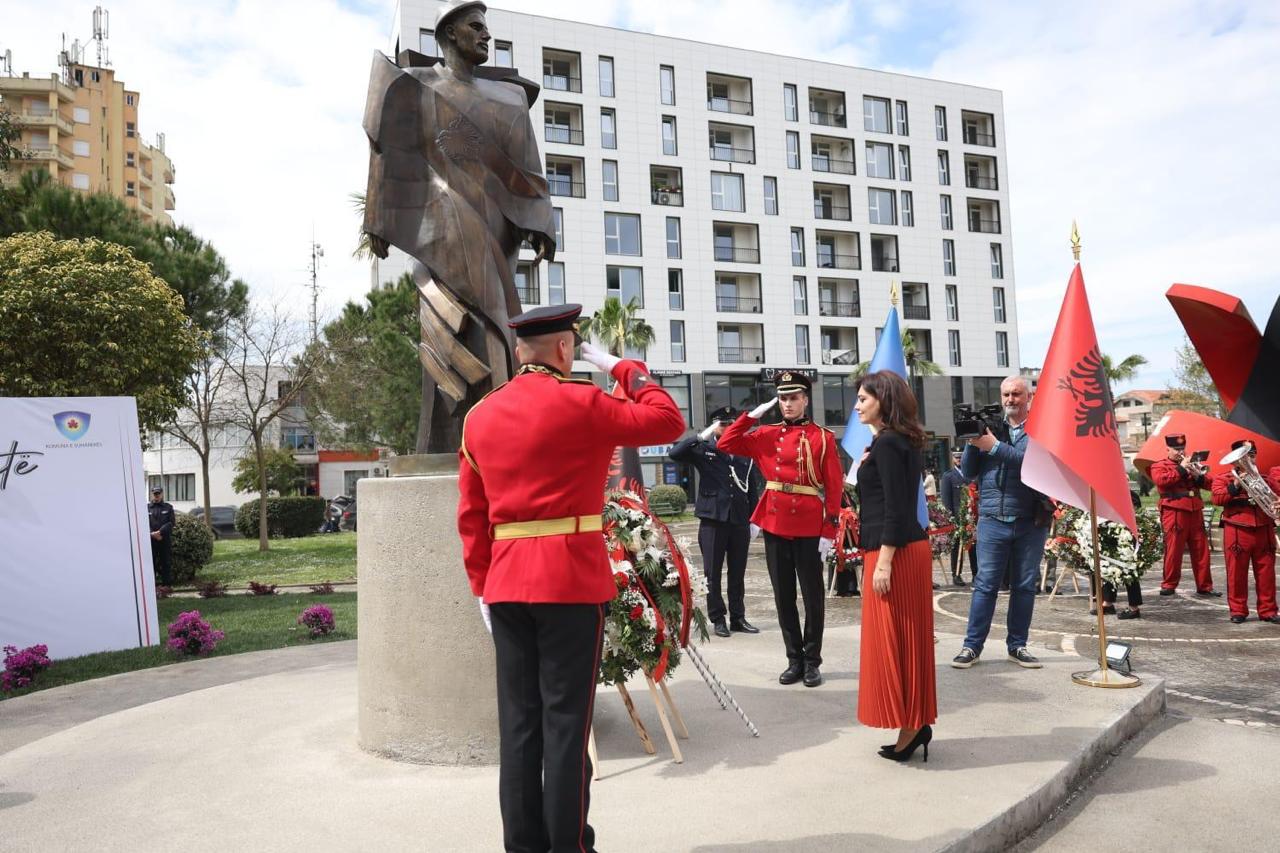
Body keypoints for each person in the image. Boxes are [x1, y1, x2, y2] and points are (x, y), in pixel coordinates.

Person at [456, 304, 684, 853]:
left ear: (519, 352)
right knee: (565, 724)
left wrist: (483, 585)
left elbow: (471, 513)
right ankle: (569, 846)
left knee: (519, 727)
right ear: (565, 349)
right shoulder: (584, 402)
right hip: (569, 583)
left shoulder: (479, 416)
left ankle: (523, 847)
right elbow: (667, 419)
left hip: (506, 586)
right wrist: (624, 368)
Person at [363, 0, 557, 452]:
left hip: (497, 229)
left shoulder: (509, 98)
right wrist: (376, 216)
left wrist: (542, 222)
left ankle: (492, 433)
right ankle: (462, 439)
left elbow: (529, 170)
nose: (486, 36)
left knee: (498, 322)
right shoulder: (416, 85)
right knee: (460, 325)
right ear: (450, 33)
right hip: (442, 224)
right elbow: (383, 146)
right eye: (476, 27)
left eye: (485, 28)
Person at [719, 371, 844, 688]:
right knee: (783, 596)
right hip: (775, 522)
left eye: (793, 398)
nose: (788, 404)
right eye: (783, 398)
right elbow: (725, 442)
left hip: (809, 524)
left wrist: (829, 528)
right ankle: (794, 660)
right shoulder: (766, 433)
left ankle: (812, 661)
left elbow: (834, 486)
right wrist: (750, 417)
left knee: (813, 597)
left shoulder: (822, 437)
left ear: (805, 400)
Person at [853, 371, 937, 763]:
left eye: (863, 399)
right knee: (906, 642)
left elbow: (896, 507)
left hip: (895, 554)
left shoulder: (888, 443)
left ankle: (913, 725)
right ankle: (913, 723)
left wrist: (884, 563)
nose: (856, 406)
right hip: (903, 550)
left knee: (896, 642)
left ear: (883, 401)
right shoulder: (895, 441)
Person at [951, 376, 1051, 670]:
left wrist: (993, 446)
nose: (1010, 399)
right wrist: (974, 441)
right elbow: (969, 472)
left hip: (1030, 520)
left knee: (1024, 586)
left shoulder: (1041, 430)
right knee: (985, 585)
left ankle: (1017, 646)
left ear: (1028, 397)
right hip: (992, 519)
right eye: (1006, 394)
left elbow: (1035, 465)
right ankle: (971, 646)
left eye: (1016, 394)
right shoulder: (992, 429)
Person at [668, 407, 762, 638]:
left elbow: (751, 488)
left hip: (739, 519)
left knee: (737, 572)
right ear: (714, 426)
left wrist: (754, 519)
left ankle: (738, 617)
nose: (728, 427)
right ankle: (718, 618)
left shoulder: (743, 451)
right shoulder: (704, 449)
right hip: (713, 519)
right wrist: (702, 435)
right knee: (713, 573)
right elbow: (675, 453)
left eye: (731, 423)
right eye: (723, 424)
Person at [1210, 440, 1280, 624]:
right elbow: (1217, 498)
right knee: (1236, 573)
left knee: (1267, 573)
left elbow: (1277, 496)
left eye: (1252, 455)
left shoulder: (1266, 479)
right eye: (1245, 456)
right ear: (1235, 459)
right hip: (1237, 529)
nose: (1250, 459)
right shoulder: (1224, 478)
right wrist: (1236, 484)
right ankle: (1238, 610)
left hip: (1263, 529)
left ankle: (1268, 610)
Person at [1149, 434, 1219, 596]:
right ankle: (1169, 584)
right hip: (1174, 511)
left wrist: (1198, 476)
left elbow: (1211, 485)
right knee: (1174, 549)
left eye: (1182, 448)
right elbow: (1161, 481)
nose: (1180, 452)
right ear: (1168, 449)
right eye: (1176, 449)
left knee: (1201, 550)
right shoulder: (1159, 465)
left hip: (1195, 511)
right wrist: (1181, 468)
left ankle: (1205, 586)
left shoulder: (1192, 464)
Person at [939, 450, 972, 586]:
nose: (958, 459)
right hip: (958, 519)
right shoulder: (948, 476)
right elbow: (946, 501)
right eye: (956, 457)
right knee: (956, 547)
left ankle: (976, 573)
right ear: (952, 459)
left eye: (961, 457)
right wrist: (951, 519)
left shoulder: (971, 474)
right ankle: (956, 574)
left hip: (971, 517)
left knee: (973, 546)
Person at [148, 486, 175, 586]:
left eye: (158, 493)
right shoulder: (146, 508)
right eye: (155, 494)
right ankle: (152, 586)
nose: (157, 495)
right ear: (152, 494)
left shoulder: (168, 507)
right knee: (151, 563)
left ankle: (166, 586)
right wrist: (152, 533)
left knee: (166, 562)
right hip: (151, 540)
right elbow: (144, 523)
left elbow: (171, 523)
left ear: (162, 494)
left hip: (164, 539)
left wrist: (160, 532)